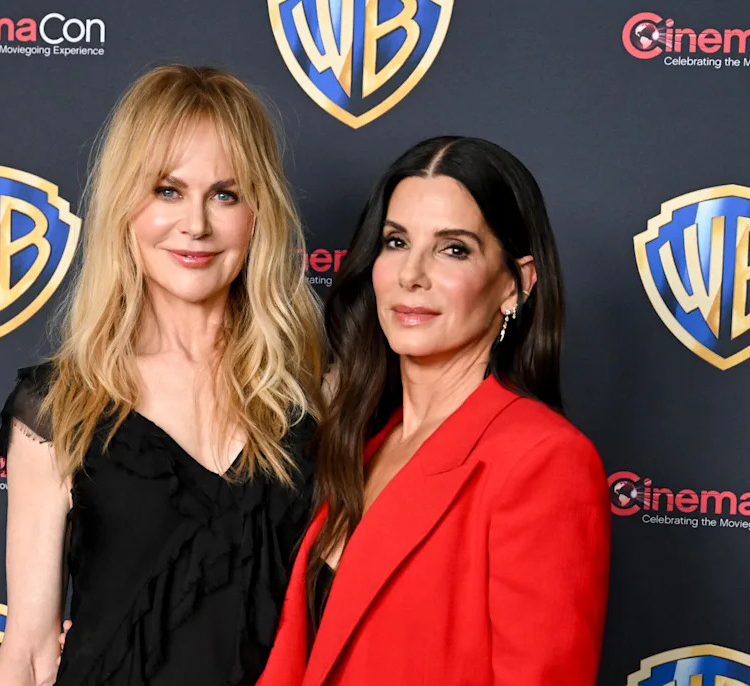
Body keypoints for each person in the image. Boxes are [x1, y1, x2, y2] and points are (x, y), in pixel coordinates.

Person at [0, 65, 324, 686]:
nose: (195, 223)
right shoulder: (60, 406)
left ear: (260, 215)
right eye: (167, 190)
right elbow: (31, 650)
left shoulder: (315, 401)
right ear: (125, 208)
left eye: (226, 194)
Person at [257, 136, 611, 686]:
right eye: (396, 241)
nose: (410, 274)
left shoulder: (544, 461)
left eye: (453, 249)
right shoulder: (362, 438)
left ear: (516, 286)